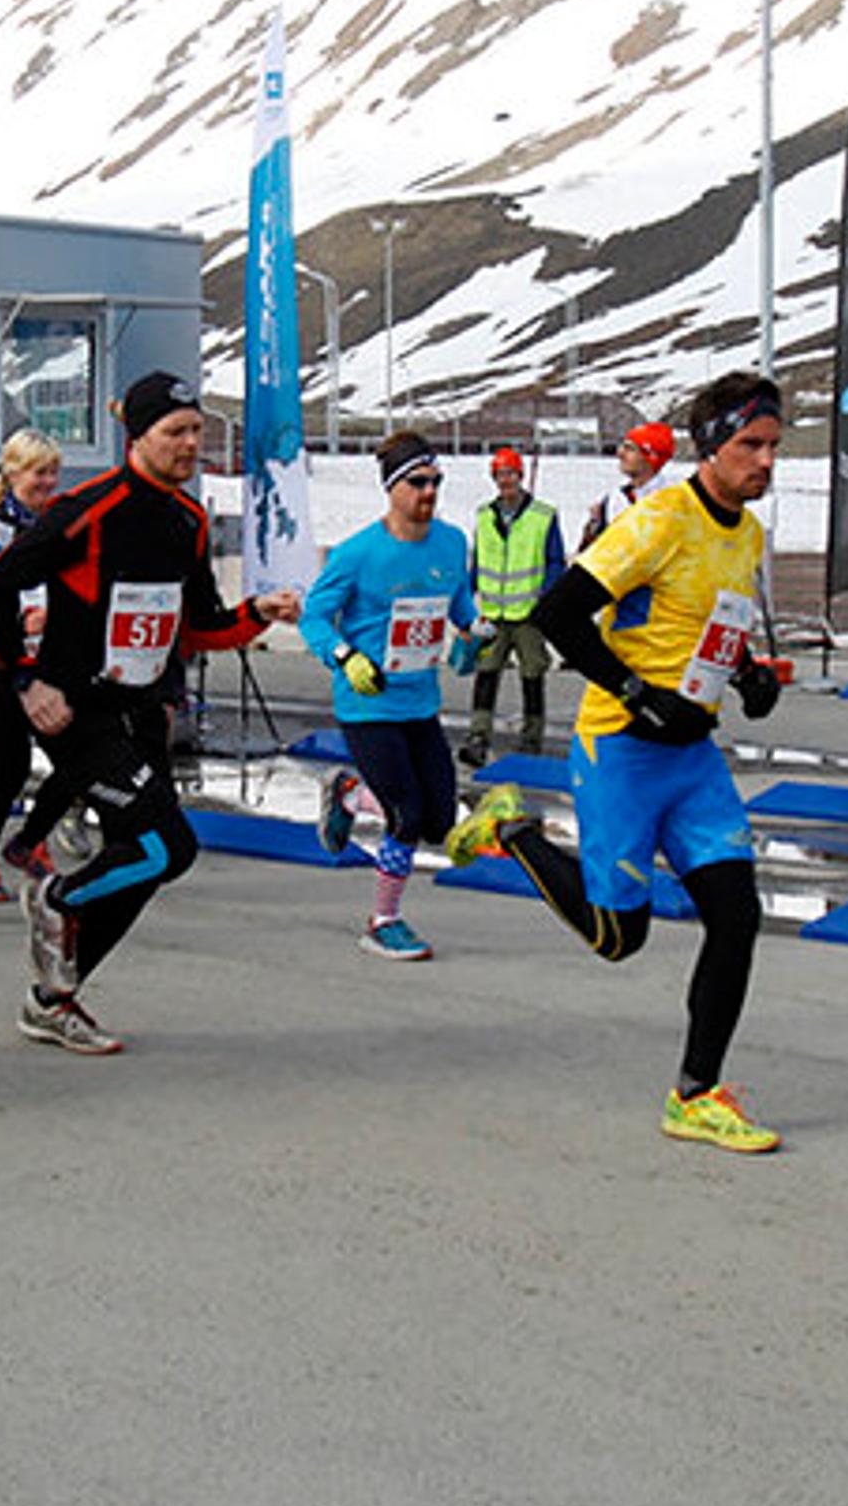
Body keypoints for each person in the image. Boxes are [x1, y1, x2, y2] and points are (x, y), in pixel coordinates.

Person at [453, 370, 789, 1154]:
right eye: (750, 444)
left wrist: (745, 677)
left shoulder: (748, 533)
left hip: (693, 756)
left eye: (774, 445)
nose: (765, 461)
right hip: (623, 749)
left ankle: (696, 1094)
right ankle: (513, 829)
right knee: (616, 937)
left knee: (738, 917)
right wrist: (638, 693)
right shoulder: (660, 520)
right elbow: (560, 612)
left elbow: (714, 628)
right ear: (711, 446)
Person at [0, 369, 296, 1056]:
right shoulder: (89, 507)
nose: (188, 443)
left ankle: (53, 998)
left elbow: (198, 624)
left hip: (143, 710)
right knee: (158, 845)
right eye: (174, 431)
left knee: (157, 858)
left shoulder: (189, 518)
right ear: (137, 435)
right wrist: (27, 682)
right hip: (77, 711)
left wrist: (252, 615)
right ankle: (57, 899)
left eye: (196, 431)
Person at [300, 432, 475, 960]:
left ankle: (352, 792)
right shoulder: (358, 554)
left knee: (440, 823)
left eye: (436, 482)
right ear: (392, 488)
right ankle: (383, 921)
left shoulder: (450, 542)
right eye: (417, 482)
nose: (429, 492)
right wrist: (345, 658)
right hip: (367, 703)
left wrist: (472, 633)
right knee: (407, 815)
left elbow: (459, 604)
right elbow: (313, 616)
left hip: (420, 702)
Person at [0, 428, 66, 899]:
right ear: (14, 473)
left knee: (73, 761)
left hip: (48, 664)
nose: (48, 482)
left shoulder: (57, 525)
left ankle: (28, 841)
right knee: (8, 768)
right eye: (39, 472)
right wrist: (25, 619)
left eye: (53, 472)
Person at [463, 444, 564, 763]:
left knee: (532, 673)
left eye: (510, 473)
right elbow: (478, 561)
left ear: (521, 476)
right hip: (492, 613)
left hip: (528, 615)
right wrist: (465, 601)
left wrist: (545, 600)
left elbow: (554, 562)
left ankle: (532, 738)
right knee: (487, 672)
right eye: (499, 474)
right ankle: (478, 735)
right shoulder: (484, 514)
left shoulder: (543, 516)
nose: (505, 480)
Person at [580, 423, 672, 552]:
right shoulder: (612, 500)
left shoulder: (672, 500)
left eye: (630, 449)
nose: (620, 453)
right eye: (623, 447)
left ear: (651, 457)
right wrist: (592, 530)